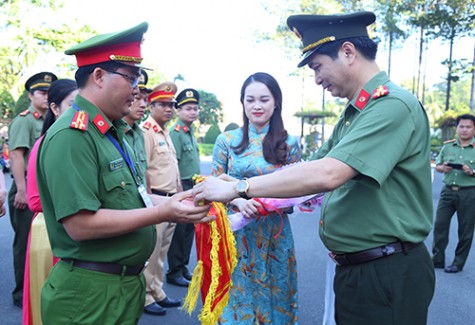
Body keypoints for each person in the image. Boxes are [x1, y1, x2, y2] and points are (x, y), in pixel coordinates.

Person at [193, 12, 435, 325]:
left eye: (318, 66)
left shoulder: (390, 105)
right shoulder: (356, 112)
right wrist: (234, 188)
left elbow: (327, 174)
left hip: (386, 271)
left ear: (348, 52)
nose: (318, 79)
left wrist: (239, 187)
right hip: (363, 268)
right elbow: (308, 169)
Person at [36, 22, 211, 324]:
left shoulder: (111, 130)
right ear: (99, 76)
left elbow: (131, 199)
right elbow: (80, 225)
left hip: (119, 287)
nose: (136, 91)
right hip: (89, 295)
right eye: (131, 78)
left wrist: (175, 200)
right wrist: (162, 213)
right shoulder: (72, 134)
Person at [216, 72, 301, 324]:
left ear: (276, 103)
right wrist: (239, 201)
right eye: (250, 99)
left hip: (274, 233)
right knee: (237, 298)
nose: (257, 106)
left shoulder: (290, 143)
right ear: (242, 102)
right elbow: (213, 184)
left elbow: (298, 188)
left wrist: (273, 204)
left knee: (277, 294)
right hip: (237, 233)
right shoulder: (227, 141)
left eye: (264, 99)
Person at [23, 78, 78, 325]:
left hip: (71, 229)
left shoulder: (77, 141)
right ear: (55, 109)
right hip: (50, 232)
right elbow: (35, 201)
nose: (80, 112)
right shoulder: (44, 144)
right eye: (72, 104)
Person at [8, 71, 58, 308]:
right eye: (42, 92)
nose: (46, 96)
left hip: (43, 189)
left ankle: (39, 285)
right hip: (25, 188)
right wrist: (20, 190)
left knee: (43, 242)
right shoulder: (24, 120)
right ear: (31, 95)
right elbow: (17, 156)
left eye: (50, 92)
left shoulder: (52, 120)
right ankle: (21, 292)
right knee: (25, 241)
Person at [140, 81, 183, 316]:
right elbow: (144, 169)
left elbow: (171, 167)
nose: (169, 109)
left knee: (162, 251)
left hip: (170, 199)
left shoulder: (164, 132)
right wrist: (148, 204)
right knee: (151, 252)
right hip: (156, 200)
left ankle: (157, 290)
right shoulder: (147, 131)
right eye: (163, 104)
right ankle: (145, 296)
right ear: (151, 105)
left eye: (172, 105)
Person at [432, 114, 475, 273]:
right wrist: (443, 168)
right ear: (456, 128)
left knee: (465, 230)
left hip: (469, 193)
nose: (464, 130)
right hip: (448, 191)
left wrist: (471, 172)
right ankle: (437, 259)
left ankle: (458, 262)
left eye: (468, 127)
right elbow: (437, 166)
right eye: (461, 126)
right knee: (439, 226)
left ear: (474, 129)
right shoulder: (448, 146)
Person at [167, 88, 201, 286]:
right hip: (183, 184)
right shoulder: (177, 133)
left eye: (195, 108)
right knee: (180, 230)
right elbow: (174, 163)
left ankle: (183, 266)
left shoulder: (190, 132)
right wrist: (180, 191)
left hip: (194, 184)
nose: (193, 112)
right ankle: (174, 271)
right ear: (178, 111)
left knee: (189, 229)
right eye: (188, 108)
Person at [123, 69, 150, 180]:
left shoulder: (139, 133)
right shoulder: (115, 133)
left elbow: (145, 173)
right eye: (137, 98)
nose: (143, 105)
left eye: (145, 99)